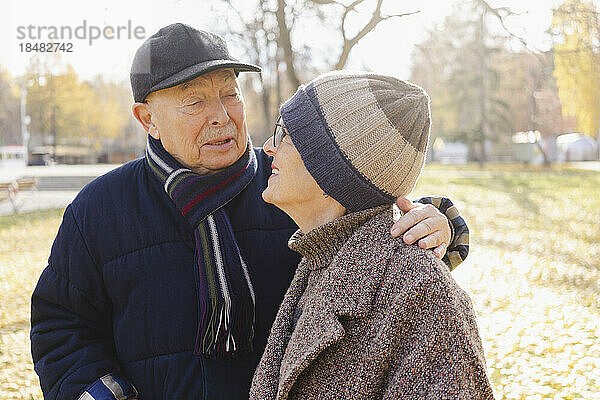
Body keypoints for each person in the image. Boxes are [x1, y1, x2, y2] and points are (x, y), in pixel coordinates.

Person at [30, 24, 469, 400]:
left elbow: (367, 212)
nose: (221, 116)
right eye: (194, 102)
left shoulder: (288, 185)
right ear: (148, 119)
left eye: (230, 94)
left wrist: (440, 224)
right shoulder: (100, 209)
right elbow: (61, 327)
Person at [250, 71, 493, 399]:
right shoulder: (317, 261)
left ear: (330, 170)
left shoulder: (426, 297)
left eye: (285, 134)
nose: (267, 147)